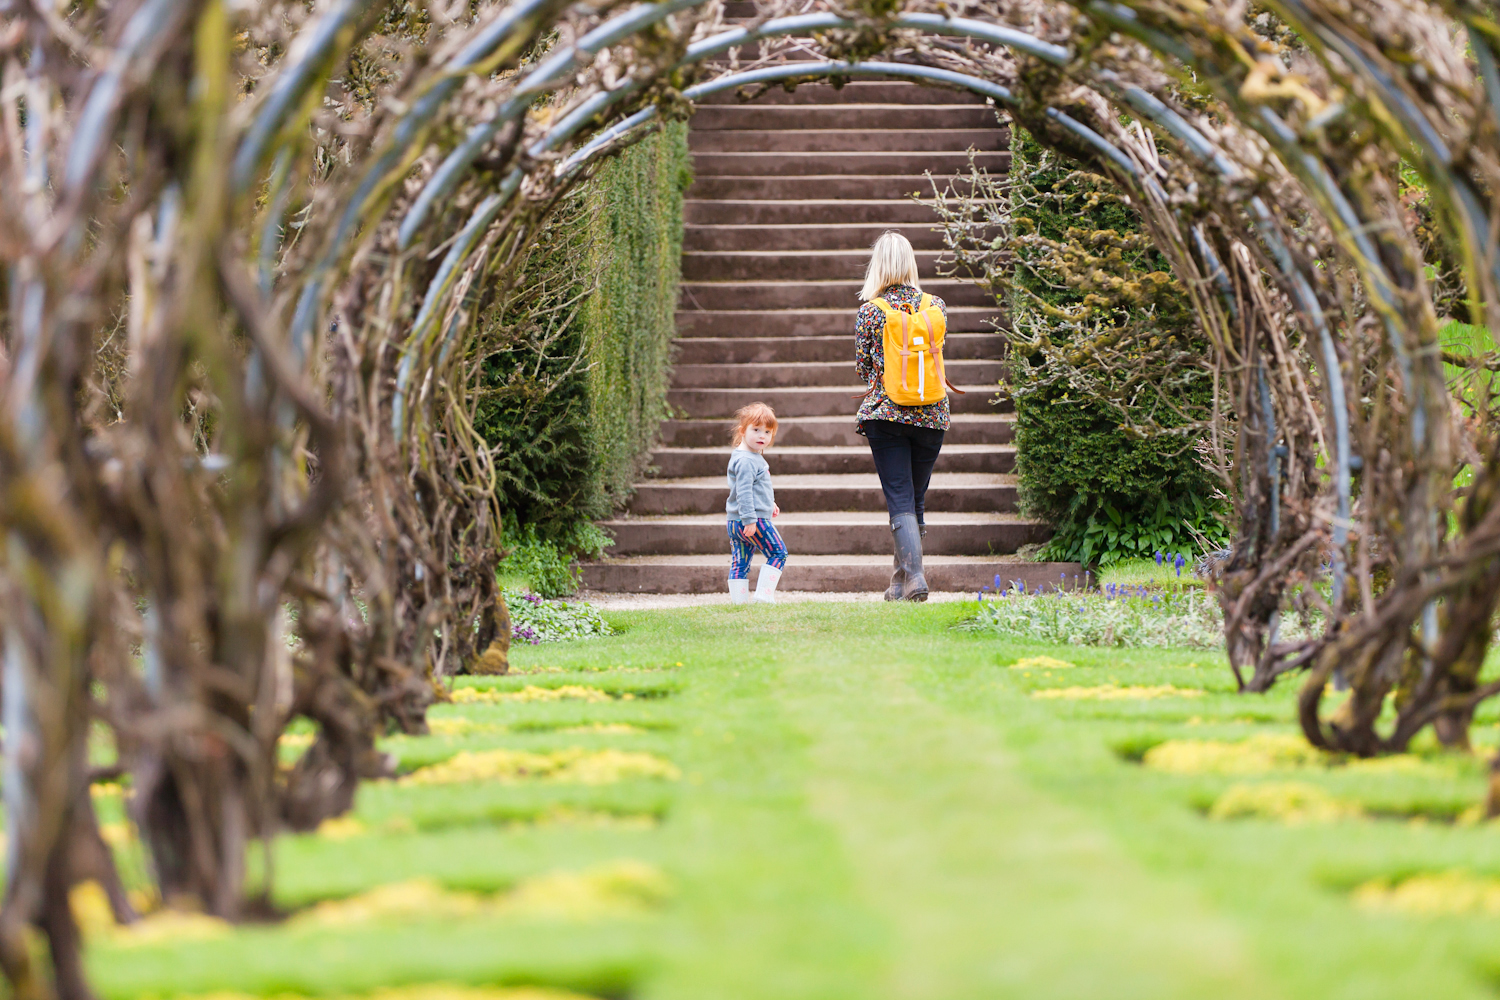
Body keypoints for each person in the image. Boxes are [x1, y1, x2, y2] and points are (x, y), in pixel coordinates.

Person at [854, 231, 952, 602]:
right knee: (914, 499)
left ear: (878, 265)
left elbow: (865, 370)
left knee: (899, 498)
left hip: (887, 414)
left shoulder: (871, 311)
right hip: (932, 414)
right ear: (910, 263)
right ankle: (899, 582)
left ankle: (915, 578)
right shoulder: (936, 306)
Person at [726, 402, 786, 604]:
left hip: (736, 520)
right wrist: (750, 520)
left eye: (768, 432)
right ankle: (763, 596)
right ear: (743, 431)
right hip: (752, 520)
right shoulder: (747, 460)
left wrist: (771, 503)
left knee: (740, 563)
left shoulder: (747, 456)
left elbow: (756, 488)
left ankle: (739, 604)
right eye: (756, 430)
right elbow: (743, 493)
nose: (762, 436)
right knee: (778, 553)